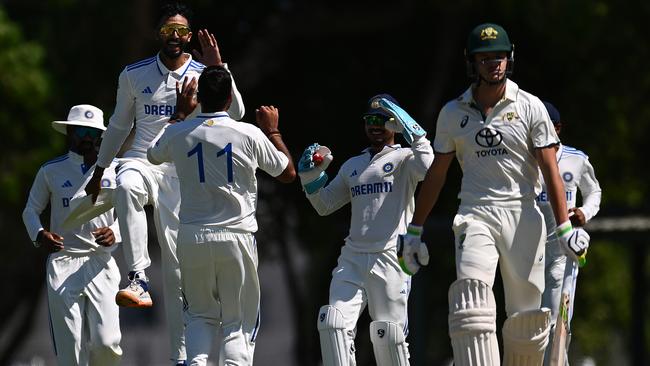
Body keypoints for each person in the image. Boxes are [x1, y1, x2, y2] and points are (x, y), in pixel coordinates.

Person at [398, 23, 590, 364]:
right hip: (475, 213)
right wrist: (414, 231)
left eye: (499, 56)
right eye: (485, 58)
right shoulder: (452, 113)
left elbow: (550, 169)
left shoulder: (530, 107)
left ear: (509, 58)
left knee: (527, 325)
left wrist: (563, 229)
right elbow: (437, 175)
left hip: (524, 214)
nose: (494, 64)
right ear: (472, 63)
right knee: (471, 305)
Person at [83, 2, 244, 364]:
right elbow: (120, 126)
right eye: (168, 30)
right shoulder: (134, 75)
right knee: (126, 184)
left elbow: (237, 114)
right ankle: (137, 276)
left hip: (182, 174)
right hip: (141, 161)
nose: (175, 38)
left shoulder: (206, 73)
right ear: (158, 34)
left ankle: (181, 358)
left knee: (176, 270)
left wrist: (219, 66)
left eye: (182, 32)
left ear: (190, 36)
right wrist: (100, 169)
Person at [147, 65, 296, 366]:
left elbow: (152, 154)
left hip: (192, 237)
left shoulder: (178, 132)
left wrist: (178, 114)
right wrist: (274, 130)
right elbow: (288, 173)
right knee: (237, 323)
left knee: (200, 315)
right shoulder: (248, 132)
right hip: (235, 237)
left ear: (199, 98)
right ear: (230, 99)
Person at [298, 94, 434, 366]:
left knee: (389, 339)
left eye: (382, 120)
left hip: (391, 257)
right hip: (353, 258)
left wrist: (412, 128)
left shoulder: (405, 159)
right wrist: (309, 178)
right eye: (370, 120)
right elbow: (324, 204)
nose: (375, 125)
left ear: (396, 125)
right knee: (333, 325)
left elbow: (429, 166)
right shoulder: (353, 165)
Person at [22, 105, 122, 365]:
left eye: (91, 131)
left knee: (107, 344)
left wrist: (116, 232)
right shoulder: (50, 170)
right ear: (69, 133)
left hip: (101, 262)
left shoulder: (116, 169)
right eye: (80, 130)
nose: (86, 136)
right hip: (64, 261)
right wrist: (40, 234)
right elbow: (31, 210)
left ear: (101, 135)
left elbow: (132, 211)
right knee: (71, 350)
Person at [538, 101, 601, 365]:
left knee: (556, 324)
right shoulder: (522, 159)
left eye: (544, 127)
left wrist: (585, 212)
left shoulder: (576, 159)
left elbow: (594, 191)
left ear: (558, 128)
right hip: (525, 251)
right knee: (526, 325)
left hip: (560, 253)